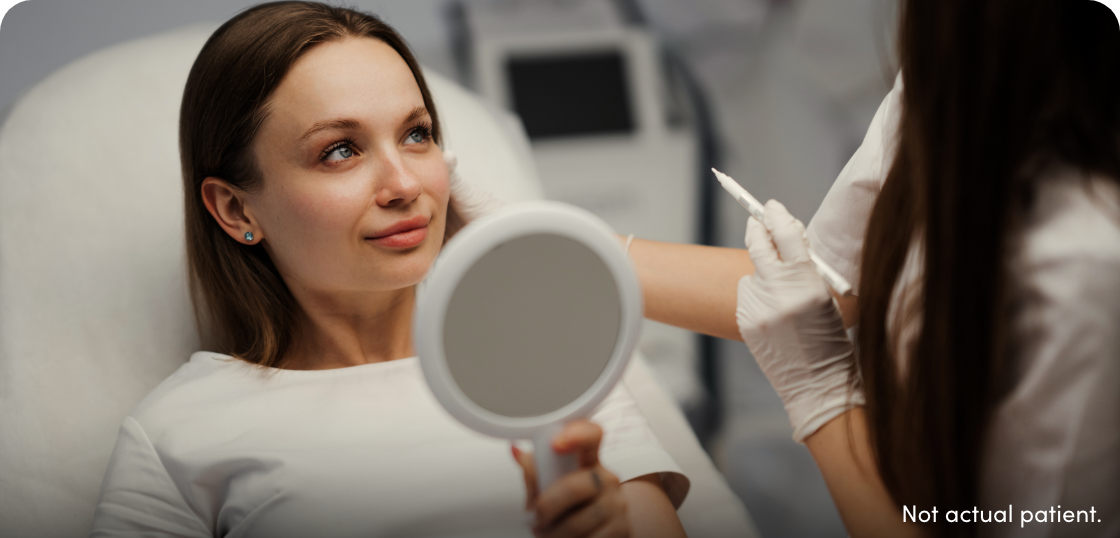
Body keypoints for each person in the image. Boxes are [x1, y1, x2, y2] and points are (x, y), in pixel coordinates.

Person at [89, 3, 688, 537]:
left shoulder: (546, 363)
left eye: (416, 134)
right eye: (340, 150)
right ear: (236, 207)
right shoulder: (177, 434)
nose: (405, 184)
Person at [616, 1, 1120, 536]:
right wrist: (579, 251)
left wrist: (823, 396)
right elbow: (827, 280)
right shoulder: (954, 85)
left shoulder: (1088, 269)